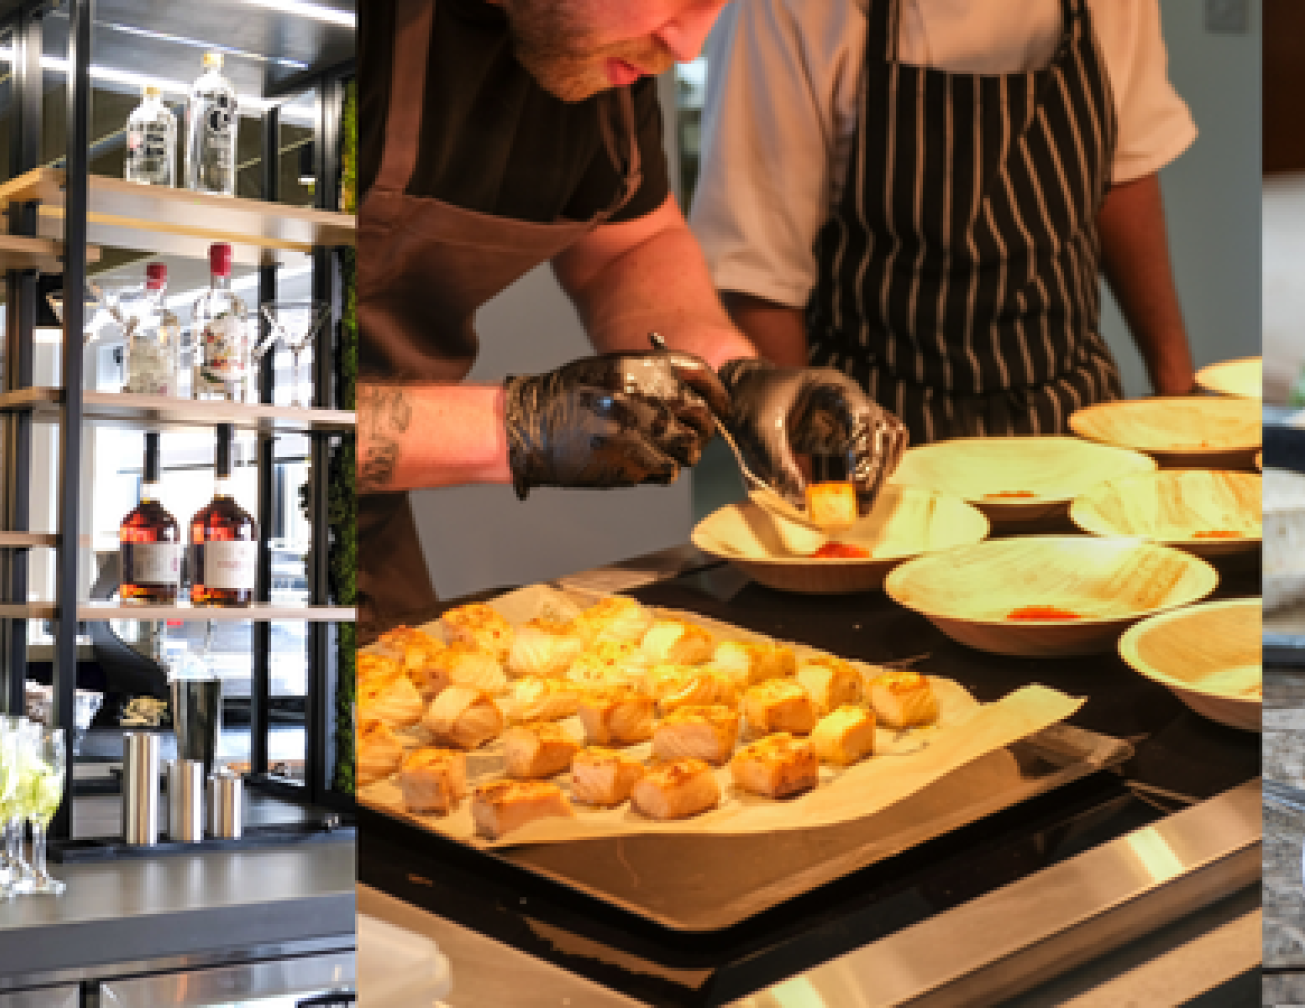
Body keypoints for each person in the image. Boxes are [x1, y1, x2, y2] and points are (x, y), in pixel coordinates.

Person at [357, 0, 906, 634]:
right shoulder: (314, 40)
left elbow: (629, 249)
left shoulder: (603, 61)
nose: (690, 45)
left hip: (368, 538)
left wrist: (735, 377)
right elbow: (224, 403)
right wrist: (515, 427)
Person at [689, 0, 1198, 446]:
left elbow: (1126, 173)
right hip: (877, 433)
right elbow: (758, 275)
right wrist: (799, 458)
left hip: (1074, 419)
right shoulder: (788, 10)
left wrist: (1179, 396)